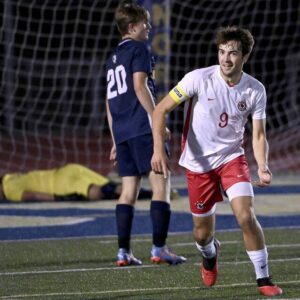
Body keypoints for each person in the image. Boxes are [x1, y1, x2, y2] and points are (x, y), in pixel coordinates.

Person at [151, 26, 282, 296]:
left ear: (245, 56)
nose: (226, 58)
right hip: (198, 166)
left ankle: (264, 279)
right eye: (222, 52)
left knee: (246, 216)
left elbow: (258, 135)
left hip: (232, 159)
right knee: (201, 235)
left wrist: (263, 166)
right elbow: (161, 110)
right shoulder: (197, 79)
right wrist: (157, 149)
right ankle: (210, 255)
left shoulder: (255, 90)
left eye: (233, 53)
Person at [105, 1, 186, 266]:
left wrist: (116, 140)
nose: (149, 26)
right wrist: (157, 121)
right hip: (141, 127)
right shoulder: (139, 48)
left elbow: (109, 102)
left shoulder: (112, 58)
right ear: (132, 27)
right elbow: (140, 86)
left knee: (128, 190)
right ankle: (159, 248)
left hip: (123, 131)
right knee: (161, 183)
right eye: (144, 23)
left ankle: (123, 252)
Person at [0, 163, 155, 202]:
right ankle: (153, 192)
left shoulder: (7, 189)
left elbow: (30, 195)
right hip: (69, 169)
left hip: (60, 184)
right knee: (110, 187)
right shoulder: (8, 176)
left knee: (96, 193)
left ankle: (149, 194)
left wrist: (58, 198)